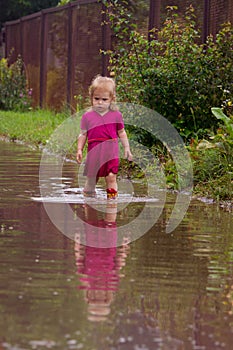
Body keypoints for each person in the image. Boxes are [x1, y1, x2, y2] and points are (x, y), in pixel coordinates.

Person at [76, 75, 133, 199]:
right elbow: (83, 133)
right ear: (91, 98)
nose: (100, 102)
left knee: (111, 176)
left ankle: (112, 202)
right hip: (94, 150)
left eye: (104, 99)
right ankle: (88, 201)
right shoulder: (87, 116)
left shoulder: (116, 115)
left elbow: (122, 132)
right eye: (96, 98)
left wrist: (127, 148)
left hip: (110, 151)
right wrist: (79, 149)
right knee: (91, 178)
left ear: (112, 99)